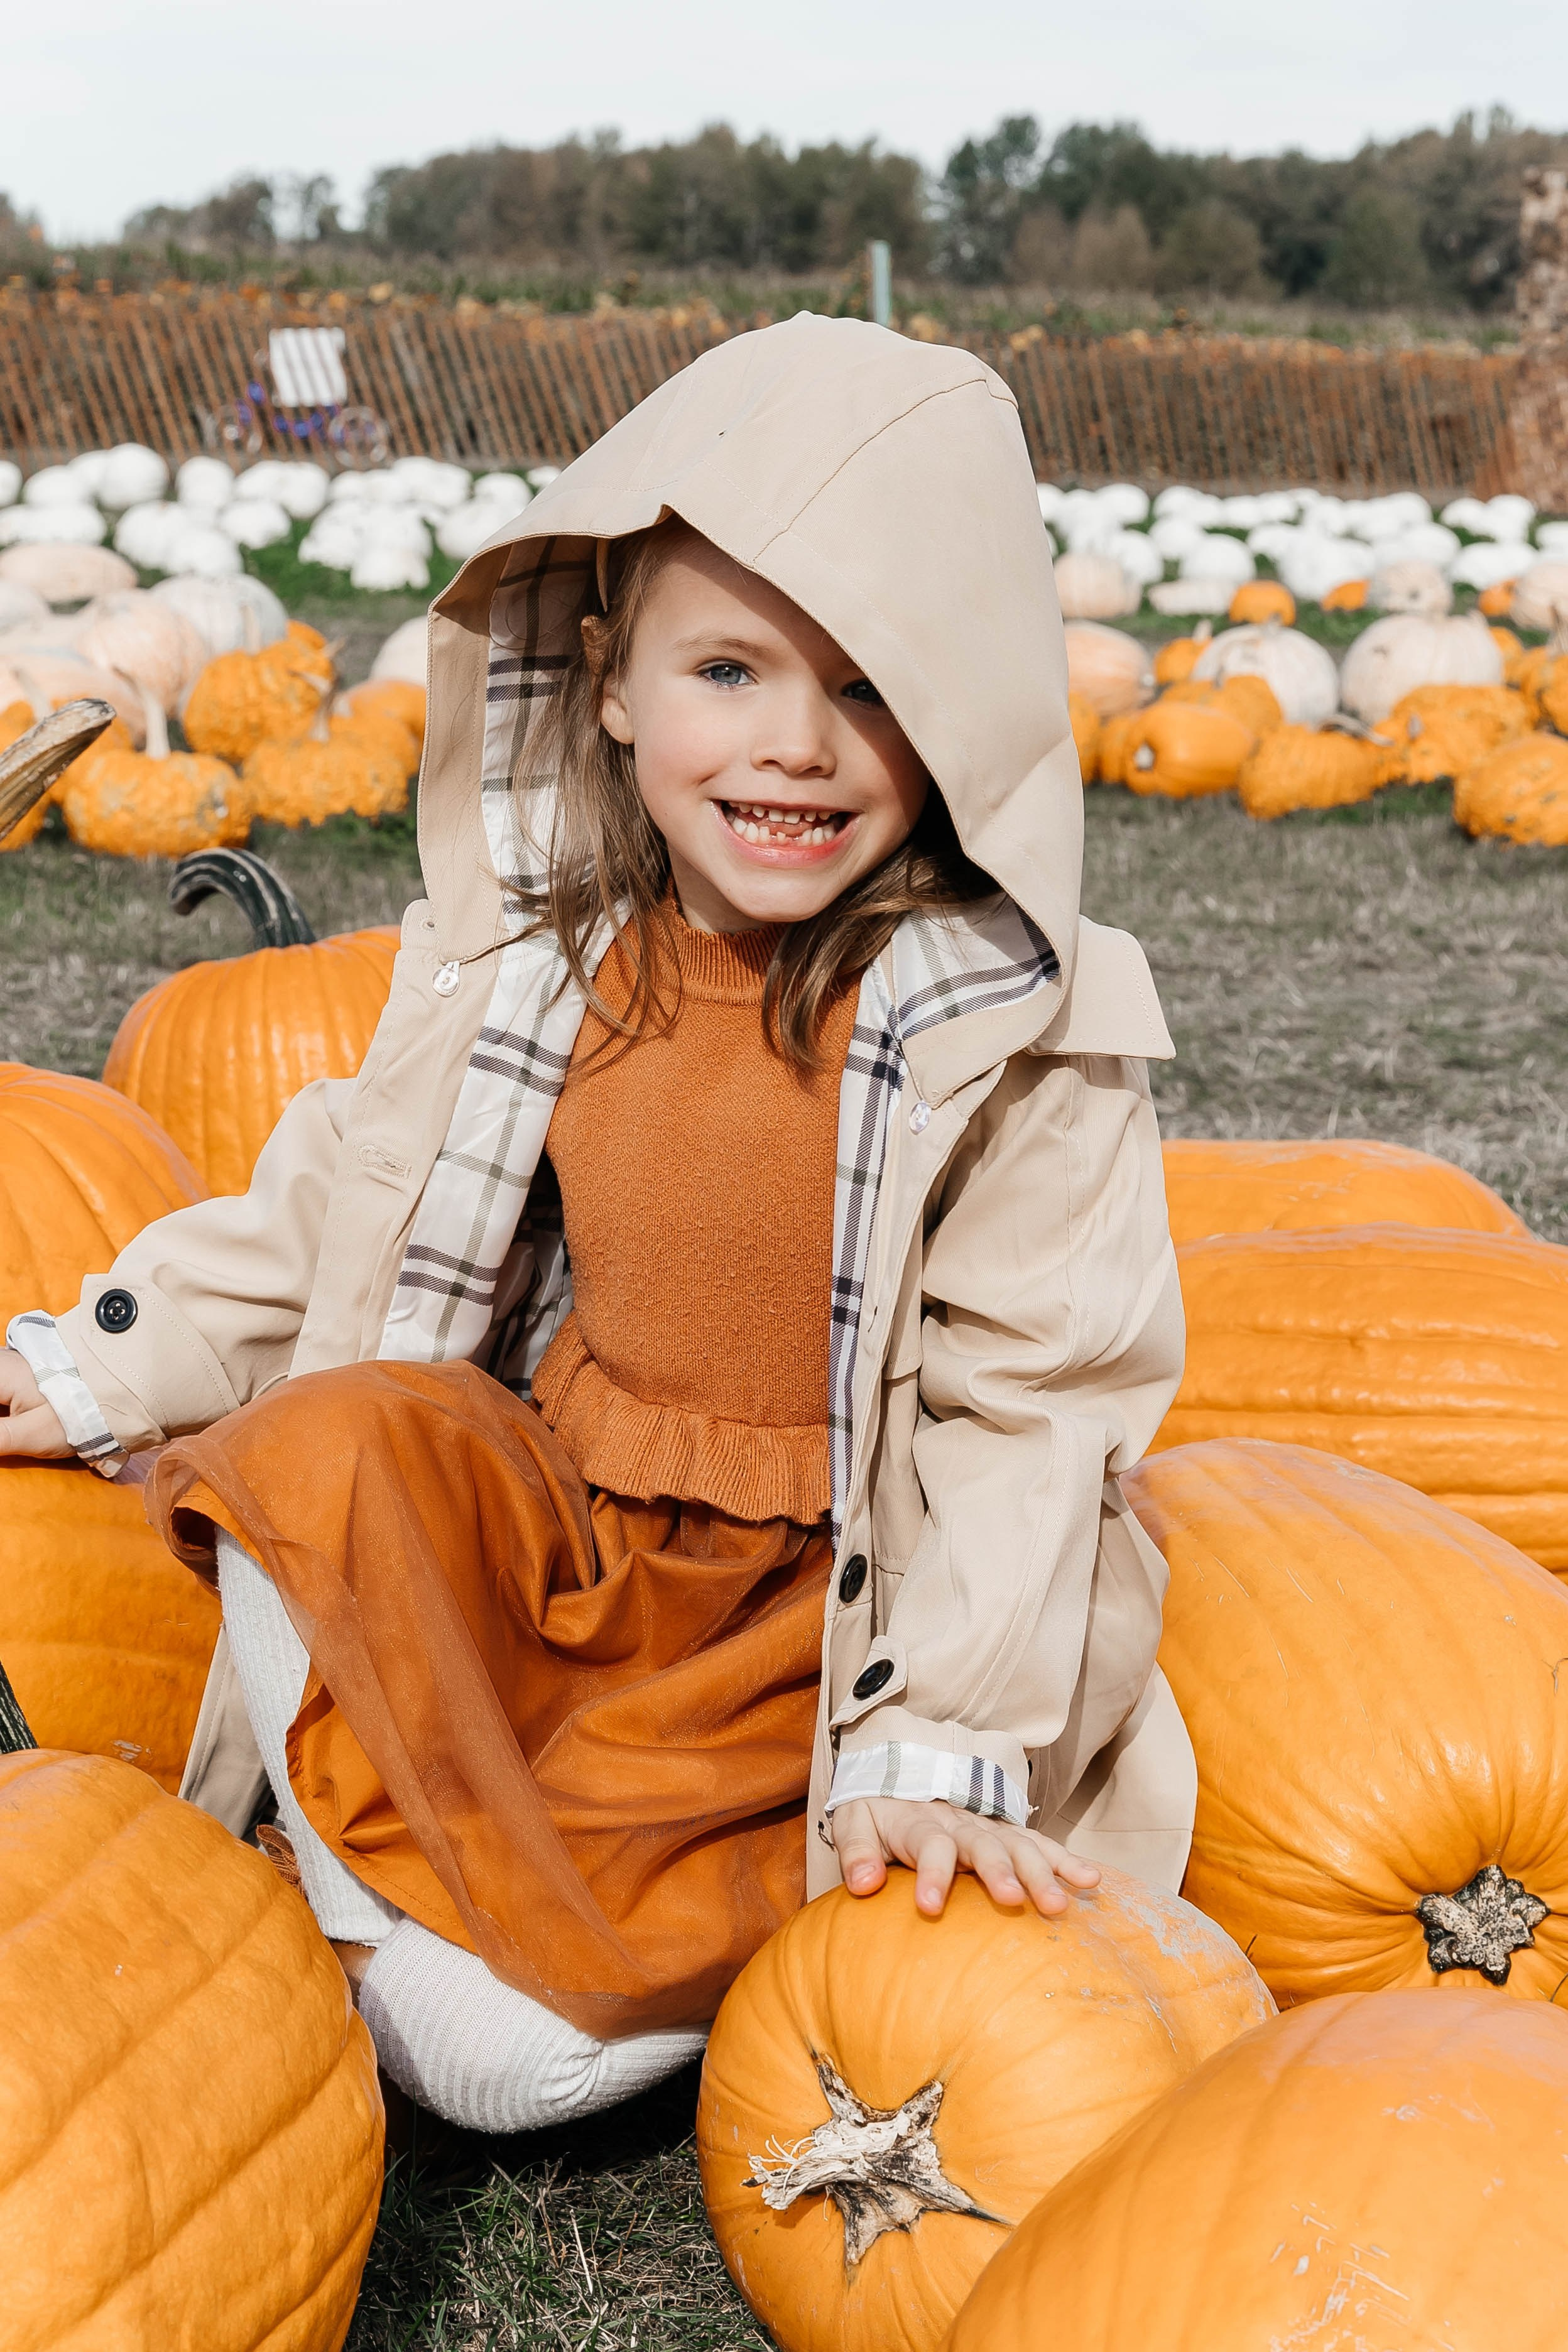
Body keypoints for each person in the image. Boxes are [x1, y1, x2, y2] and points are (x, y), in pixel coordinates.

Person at [0, 316, 1192, 2133]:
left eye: (870, 690)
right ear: (611, 681)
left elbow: (1036, 1404)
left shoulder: (1010, 1033)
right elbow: (338, 1199)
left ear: (960, 716)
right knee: (306, 1456)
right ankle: (367, 1909)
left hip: (807, 1625)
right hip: (565, 1551)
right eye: (730, 671)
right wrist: (110, 1360)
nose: (797, 747)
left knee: (510, 2079)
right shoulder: (546, 962)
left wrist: (939, 1731)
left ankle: (462, 1962)